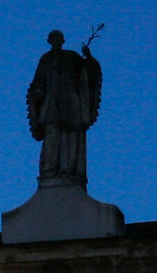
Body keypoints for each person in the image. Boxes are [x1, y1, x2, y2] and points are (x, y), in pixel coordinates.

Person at [27, 29, 103, 188]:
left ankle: (69, 170)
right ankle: (50, 170)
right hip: (51, 106)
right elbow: (39, 79)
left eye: (58, 38)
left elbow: (87, 74)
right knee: (52, 136)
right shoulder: (46, 59)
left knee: (71, 137)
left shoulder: (72, 57)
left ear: (62, 40)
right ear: (49, 41)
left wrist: (89, 58)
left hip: (71, 104)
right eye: (53, 39)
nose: (56, 41)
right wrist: (38, 91)